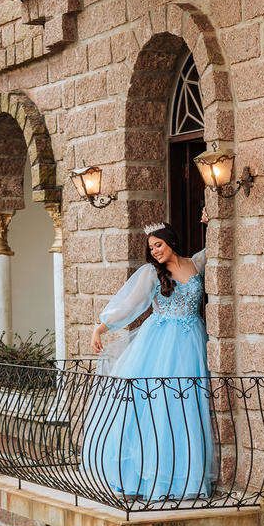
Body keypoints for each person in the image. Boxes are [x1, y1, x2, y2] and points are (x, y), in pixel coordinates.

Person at [82, 211, 213, 502]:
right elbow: (130, 305)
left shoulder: (195, 263)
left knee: (186, 409)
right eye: (151, 248)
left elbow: (217, 250)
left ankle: (182, 478)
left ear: (171, 242)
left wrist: (210, 222)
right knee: (155, 406)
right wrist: (100, 328)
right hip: (160, 342)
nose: (154, 251)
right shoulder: (152, 273)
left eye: (158, 245)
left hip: (191, 341)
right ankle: (141, 478)